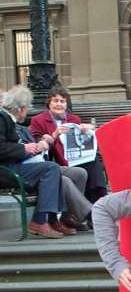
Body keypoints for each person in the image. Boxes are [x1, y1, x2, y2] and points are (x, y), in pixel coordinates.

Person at [0, 85, 66, 238]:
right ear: (22, 108)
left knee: (51, 168)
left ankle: (50, 220)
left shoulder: (6, 119)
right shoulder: (2, 118)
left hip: (11, 166)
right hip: (6, 170)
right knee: (51, 169)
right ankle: (40, 221)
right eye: (27, 108)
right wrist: (24, 149)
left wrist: (27, 149)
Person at [30, 86, 107, 204]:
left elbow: (81, 140)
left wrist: (88, 129)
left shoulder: (74, 119)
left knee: (93, 162)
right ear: (49, 103)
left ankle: (99, 201)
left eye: (62, 101)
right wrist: (54, 135)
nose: (59, 104)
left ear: (66, 104)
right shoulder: (38, 120)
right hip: (56, 162)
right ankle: (92, 207)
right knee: (88, 168)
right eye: (55, 101)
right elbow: (38, 148)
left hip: (76, 158)